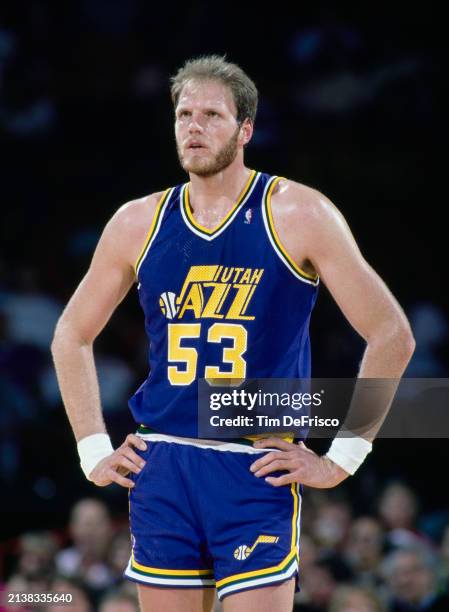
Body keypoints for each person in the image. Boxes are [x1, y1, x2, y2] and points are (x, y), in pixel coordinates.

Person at [51, 55, 415, 612]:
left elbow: (392, 333)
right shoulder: (137, 221)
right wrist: (92, 448)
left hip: (253, 464)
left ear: (245, 129)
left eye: (212, 115)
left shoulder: (298, 211)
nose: (194, 127)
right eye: (184, 114)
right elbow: (71, 334)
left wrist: (343, 458)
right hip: (164, 464)